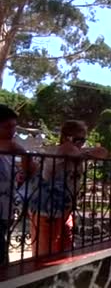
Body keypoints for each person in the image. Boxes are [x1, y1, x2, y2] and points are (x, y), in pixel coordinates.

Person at [29, 120, 108, 257]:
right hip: (47, 209)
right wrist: (85, 154)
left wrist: (83, 153)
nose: (82, 143)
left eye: (84, 139)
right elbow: (71, 151)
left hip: (64, 207)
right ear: (66, 137)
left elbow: (103, 152)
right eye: (78, 139)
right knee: (45, 254)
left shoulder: (77, 150)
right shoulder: (60, 149)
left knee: (64, 250)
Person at [0, 105, 35, 264]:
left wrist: (22, 153)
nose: (12, 131)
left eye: (14, 127)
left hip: (5, 210)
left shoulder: (12, 149)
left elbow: (31, 171)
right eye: (7, 127)